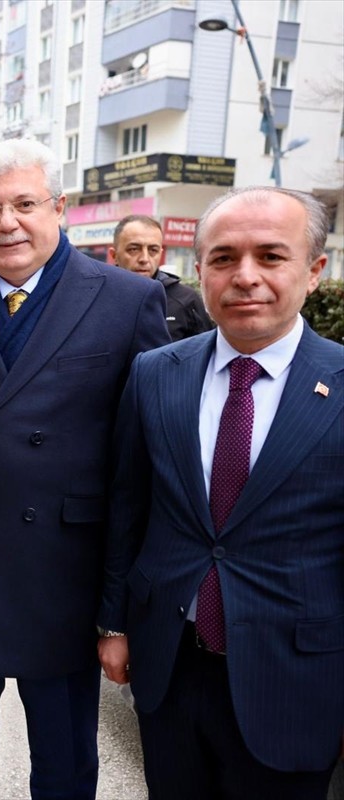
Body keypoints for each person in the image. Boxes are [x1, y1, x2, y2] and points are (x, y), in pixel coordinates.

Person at [0, 138, 169, 800]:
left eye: (24, 204)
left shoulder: (127, 301)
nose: (7, 223)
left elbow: (140, 464)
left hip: (64, 571)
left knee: (64, 760)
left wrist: (117, 603)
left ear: (60, 208)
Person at [97, 187, 343, 799]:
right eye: (225, 258)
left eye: (271, 256)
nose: (246, 277)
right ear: (200, 269)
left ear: (314, 272)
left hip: (297, 681)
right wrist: (113, 623)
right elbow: (129, 505)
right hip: (170, 668)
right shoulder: (155, 373)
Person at [109, 214, 213, 341]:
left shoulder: (185, 300)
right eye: (134, 249)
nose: (144, 259)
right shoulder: (96, 296)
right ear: (114, 254)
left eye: (153, 250)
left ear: (160, 253)